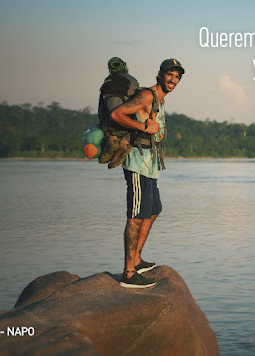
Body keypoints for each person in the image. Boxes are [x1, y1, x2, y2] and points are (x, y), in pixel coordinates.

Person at [110, 58, 184, 288]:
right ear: (160, 75)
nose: (173, 79)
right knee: (136, 216)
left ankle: (137, 259)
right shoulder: (148, 96)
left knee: (153, 210)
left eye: (177, 76)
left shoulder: (159, 100)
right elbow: (117, 114)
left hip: (150, 164)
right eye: (169, 74)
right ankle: (129, 274)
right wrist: (143, 127)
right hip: (137, 163)